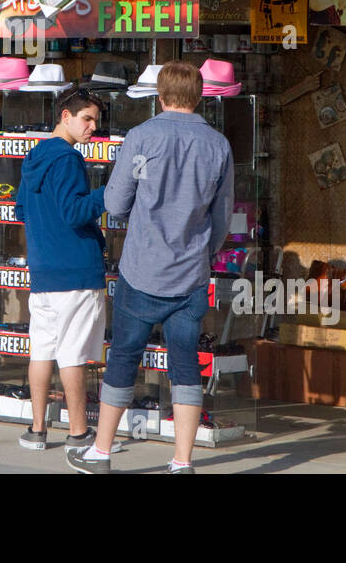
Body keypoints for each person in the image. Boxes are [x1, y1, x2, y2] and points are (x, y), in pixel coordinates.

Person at [67, 61, 233, 474]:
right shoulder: (218, 145)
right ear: (200, 97)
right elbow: (223, 217)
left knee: (123, 357)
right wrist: (203, 252)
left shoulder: (141, 137)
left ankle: (101, 453)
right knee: (185, 365)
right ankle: (182, 462)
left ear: (160, 97)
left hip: (141, 270)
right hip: (191, 275)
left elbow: (116, 203)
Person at [13, 86, 108, 453]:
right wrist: (107, 192)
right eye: (87, 119)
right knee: (72, 355)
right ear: (65, 116)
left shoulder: (35, 155)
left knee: (41, 352)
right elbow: (75, 212)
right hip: (74, 271)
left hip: (43, 272)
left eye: (95, 121)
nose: (92, 128)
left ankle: (36, 431)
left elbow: (22, 210)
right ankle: (79, 433)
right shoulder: (67, 159)